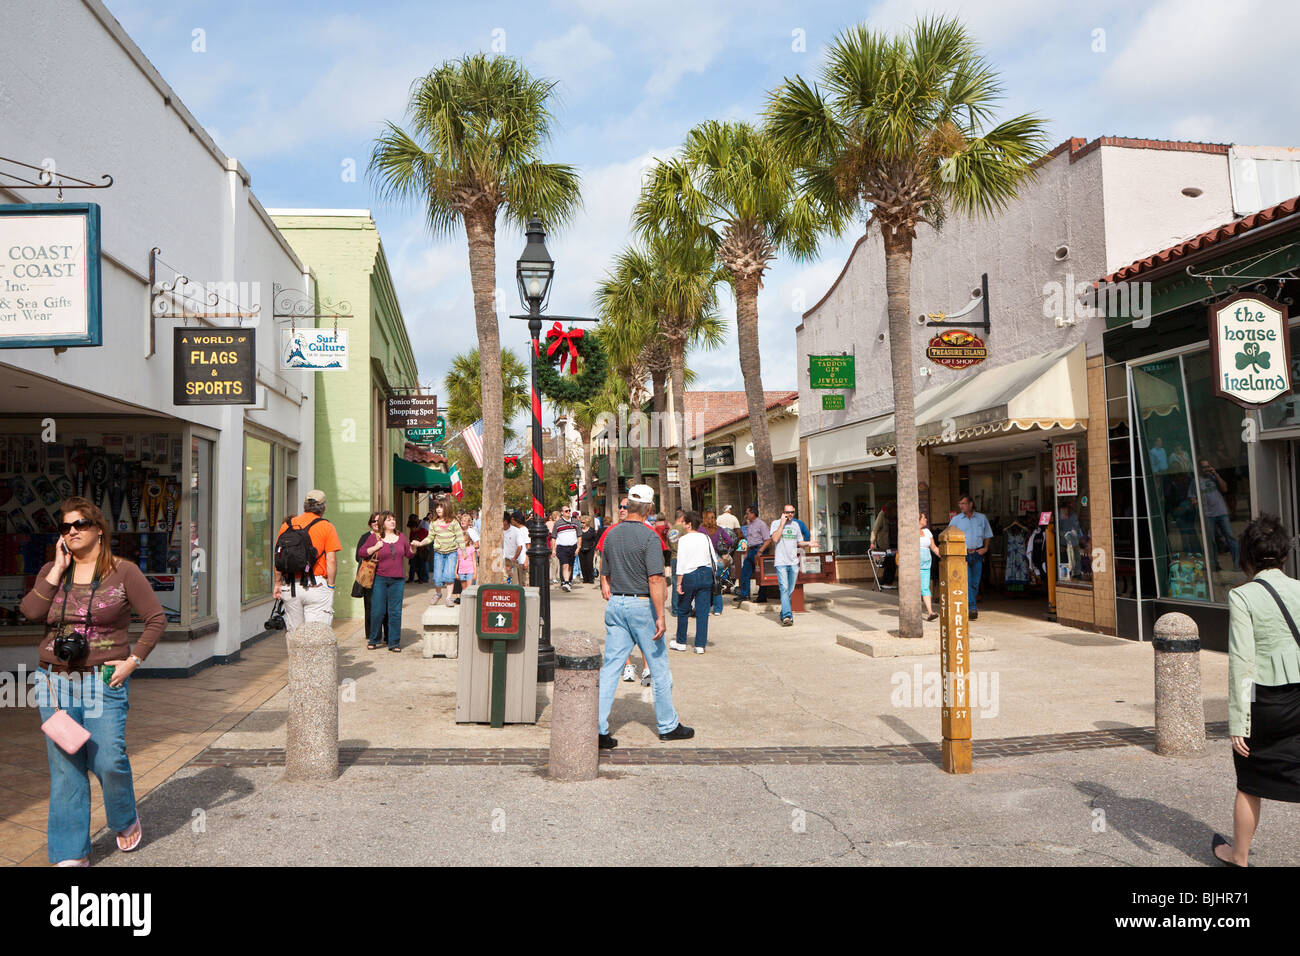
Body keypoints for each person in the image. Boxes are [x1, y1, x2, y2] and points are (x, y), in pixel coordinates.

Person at [21, 497, 166, 866]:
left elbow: (156, 619)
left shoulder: (124, 572)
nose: (72, 531)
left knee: (109, 759)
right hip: (54, 681)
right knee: (66, 765)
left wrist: (133, 661)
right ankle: (71, 851)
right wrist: (55, 570)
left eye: (80, 524)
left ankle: (123, 816)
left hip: (105, 679)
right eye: (65, 527)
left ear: (98, 528)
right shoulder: (53, 572)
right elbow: (31, 612)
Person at [1214, 514, 1300, 867]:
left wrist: (1238, 720)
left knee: (1250, 782)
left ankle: (1240, 857)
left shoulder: (1243, 596)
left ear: (1247, 555)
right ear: (1283, 555)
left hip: (1263, 700)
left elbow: (1243, 663)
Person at [597, 484, 694, 748]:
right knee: (659, 668)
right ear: (649, 508)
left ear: (627, 505)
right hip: (641, 606)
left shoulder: (612, 534)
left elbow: (605, 571)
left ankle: (597, 727)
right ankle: (667, 725)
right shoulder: (650, 537)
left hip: (617, 603)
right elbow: (655, 578)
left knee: (611, 669)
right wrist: (660, 616)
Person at [361, 510, 433, 651]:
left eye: (393, 519)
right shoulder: (375, 538)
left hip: (397, 580)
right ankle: (374, 638)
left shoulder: (400, 537)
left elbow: (409, 554)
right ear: (383, 522)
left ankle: (394, 642)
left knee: (395, 612)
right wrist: (376, 547)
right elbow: (362, 552)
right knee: (378, 611)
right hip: (380, 579)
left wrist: (413, 547)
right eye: (389, 520)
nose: (392, 522)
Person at [275, 490, 343, 632]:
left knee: (295, 633)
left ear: (305, 506)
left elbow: (279, 556)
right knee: (316, 634)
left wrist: (277, 583)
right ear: (323, 507)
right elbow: (331, 561)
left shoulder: (287, 525)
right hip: (316, 585)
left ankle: (296, 655)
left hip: (290, 586)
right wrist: (330, 586)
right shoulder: (326, 526)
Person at [671, 511, 719, 653]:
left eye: (684, 522)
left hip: (689, 575)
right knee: (703, 611)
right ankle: (700, 645)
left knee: (683, 609)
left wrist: (679, 583)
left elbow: (681, 564)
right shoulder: (705, 538)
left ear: (689, 524)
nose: (682, 524)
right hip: (706, 573)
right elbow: (713, 559)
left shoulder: (684, 540)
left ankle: (681, 641)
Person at [948, 494, 993, 620]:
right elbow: (948, 534)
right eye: (960, 504)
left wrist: (985, 548)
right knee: (966, 581)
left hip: (977, 553)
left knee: (975, 582)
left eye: (963, 503)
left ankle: (970, 605)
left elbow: (987, 534)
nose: (961, 506)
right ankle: (972, 606)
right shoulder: (956, 520)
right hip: (963, 554)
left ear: (971, 504)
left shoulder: (981, 518)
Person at [769, 504, 812, 626]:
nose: (790, 515)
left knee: (790, 590)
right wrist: (782, 524)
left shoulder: (796, 525)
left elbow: (799, 542)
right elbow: (775, 539)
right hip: (781, 562)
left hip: (793, 562)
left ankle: (783, 612)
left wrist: (809, 544)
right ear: (783, 513)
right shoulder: (776, 524)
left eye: (792, 512)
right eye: (787, 512)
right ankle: (787, 616)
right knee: (784, 589)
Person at [354, 512, 388, 647]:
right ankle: (371, 634)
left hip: (385, 575)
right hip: (369, 576)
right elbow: (358, 556)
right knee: (369, 606)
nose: (376, 523)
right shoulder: (365, 537)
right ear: (370, 523)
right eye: (373, 521)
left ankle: (387, 635)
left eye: (378, 521)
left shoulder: (388, 536)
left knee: (385, 606)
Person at [1197, 459, 1238, 570]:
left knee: (1230, 537)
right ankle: (1214, 565)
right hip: (1208, 514)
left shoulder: (1214, 478)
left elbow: (1225, 488)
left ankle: (1237, 564)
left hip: (1221, 511)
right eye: (1204, 467)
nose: (1206, 469)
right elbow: (1192, 498)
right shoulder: (1196, 481)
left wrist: (1215, 474)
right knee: (1211, 540)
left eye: (1208, 466)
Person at [427, 501, 465, 608]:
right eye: (437, 507)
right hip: (438, 553)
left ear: (446, 508)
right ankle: (438, 593)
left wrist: (464, 551)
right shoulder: (433, 523)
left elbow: (460, 537)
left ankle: (448, 598)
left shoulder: (453, 522)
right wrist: (420, 543)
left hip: (451, 553)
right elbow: (430, 537)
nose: (438, 509)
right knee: (437, 578)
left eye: (441, 507)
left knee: (449, 576)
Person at [734, 504, 770, 605]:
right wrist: (746, 552)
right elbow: (749, 539)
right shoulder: (750, 525)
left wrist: (760, 551)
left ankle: (762, 596)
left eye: (748, 513)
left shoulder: (761, 524)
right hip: (751, 550)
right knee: (745, 572)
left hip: (759, 549)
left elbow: (768, 540)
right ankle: (745, 594)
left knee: (760, 574)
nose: (746, 515)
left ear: (753, 514)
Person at [701, 509, 733, 615]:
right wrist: (724, 550)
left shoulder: (701, 530)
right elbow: (730, 541)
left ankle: (707, 608)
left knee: (706, 585)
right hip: (718, 560)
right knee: (717, 583)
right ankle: (718, 609)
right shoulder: (719, 529)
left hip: (706, 560)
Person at [919, 512, 942, 621]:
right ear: (918, 519)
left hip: (926, 564)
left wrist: (942, 555)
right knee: (915, 588)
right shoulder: (910, 533)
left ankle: (930, 612)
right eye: (924, 517)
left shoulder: (927, 532)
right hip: (914, 565)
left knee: (925, 587)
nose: (926, 519)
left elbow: (933, 547)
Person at [553, 505, 581, 592]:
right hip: (562, 547)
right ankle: (566, 582)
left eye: (569, 510)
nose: (568, 512)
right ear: (562, 513)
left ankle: (567, 581)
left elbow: (579, 536)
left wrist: (578, 547)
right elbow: (553, 537)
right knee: (565, 565)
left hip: (573, 547)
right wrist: (553, 549)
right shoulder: (558, 523)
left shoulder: (575, 522)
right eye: (566, 511)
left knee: (570, 566)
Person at [871, 502, 897, 586]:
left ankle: (888, 581)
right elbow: (875, 529)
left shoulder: (896, 515)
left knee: (893, 562)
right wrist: (872, 542)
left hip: (895, 542)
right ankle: (885, 581)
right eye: (893, 510)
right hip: (885, 543)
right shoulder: (882, 515)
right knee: (888, 562)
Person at [456, 512, 478, 591]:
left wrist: (468, 548)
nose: (462, 521)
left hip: (470, 556)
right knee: (459, 578)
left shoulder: (472, 531)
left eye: (465, 520)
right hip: (459, 556)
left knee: (470, 582)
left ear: (469, 522)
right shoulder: (458, 531)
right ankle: (459, 596)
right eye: (462, 520)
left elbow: (477, 544)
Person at [578, 514, 599, 586]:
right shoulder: (579, 530)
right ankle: (585, 578)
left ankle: (591, 578)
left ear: (587, 523)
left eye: (583, 523)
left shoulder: (591, 530)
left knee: (589, 563)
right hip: (581, 549)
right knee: (582, 564)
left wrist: (596, 549)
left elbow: (595, 540)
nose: (582, 524)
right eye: (581, 522)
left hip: (590, 549)